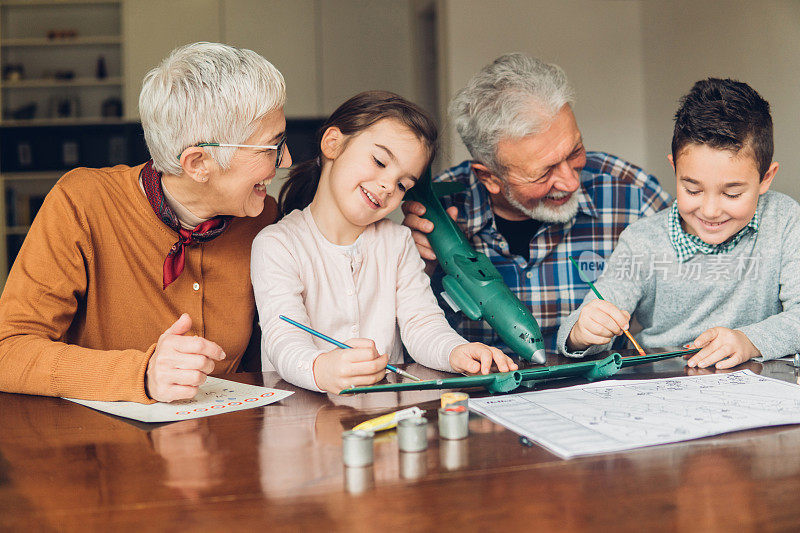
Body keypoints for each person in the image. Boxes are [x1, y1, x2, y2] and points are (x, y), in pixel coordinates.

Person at [0, 42, 291, 403]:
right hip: (97, 449)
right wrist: (141, 374)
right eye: (270, 147)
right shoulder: (82, 202)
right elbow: (8, 351)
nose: (287, 159)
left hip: (225, 443)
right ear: (198, 163)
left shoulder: (262, 218)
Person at [250, 91, 517, 394]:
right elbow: (282, 337)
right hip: (302, 423)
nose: (389, 186)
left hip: (385, 423)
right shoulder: (276, 244)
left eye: (404, 184)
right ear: (332, 143)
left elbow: (423, 323)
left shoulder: (398, 241)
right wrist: (320, 369)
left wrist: (456, 352)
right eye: (379, 161)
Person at [403, 53, 671, 353]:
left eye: (575, 151)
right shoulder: (436, 212)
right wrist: (414, 271)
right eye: (544, 172)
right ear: (489, 177)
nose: (571, 183)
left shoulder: (632, 194)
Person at [557, 78, 800, 369]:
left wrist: (749, 341)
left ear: (766, 178)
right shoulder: (642, 242)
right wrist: (582, 333)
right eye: (692, 190)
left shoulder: (784, 220)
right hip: (664, 387)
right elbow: (577, 329)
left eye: (732, 193)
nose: (710, 211)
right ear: (674, 168)